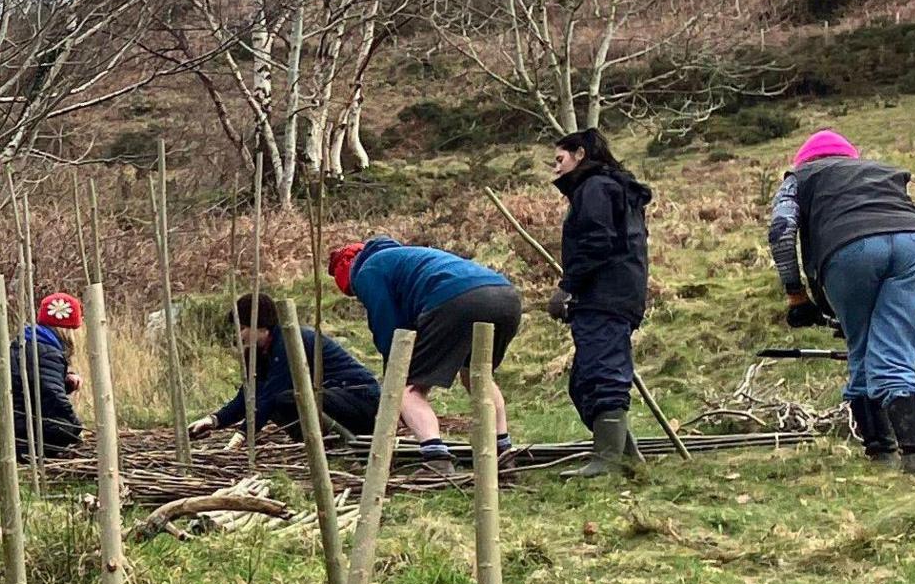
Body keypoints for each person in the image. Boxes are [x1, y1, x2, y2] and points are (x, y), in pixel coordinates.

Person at [769, 128, 915, 478]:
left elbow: (781, 228)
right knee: (889, 351)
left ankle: (906, 459)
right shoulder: (881, 171)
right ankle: (896, 455)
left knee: (873, 354)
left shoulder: (799, 176)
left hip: (852, 250)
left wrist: (796, 294)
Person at [330, 237, 519, 454]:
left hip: (455, 300)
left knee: (407, 390)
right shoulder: (406, 257)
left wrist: (395, 383)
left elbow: (391, 331)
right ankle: (503, 448)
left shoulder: (366, 271)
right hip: (505, 297)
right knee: (477, 376)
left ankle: (435, 455)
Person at [549, 128, 653, 477]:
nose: (556, 169)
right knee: (583, 381)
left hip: (604, 296)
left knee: (602, 374)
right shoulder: (611, 189)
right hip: (614, 295)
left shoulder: (595, 189)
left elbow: (597, 241)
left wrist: (568, 287)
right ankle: (627, 458)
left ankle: (607, 461)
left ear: (580, 154)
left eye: (559, 160)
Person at [189, 293, 380, 443]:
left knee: (284, 400)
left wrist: (241, 436)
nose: (240, 335)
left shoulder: (288, 343)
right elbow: (249, 395)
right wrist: (214, 420)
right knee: (279, 402)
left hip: (360, 398)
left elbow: (270, 396)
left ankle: (336, 442)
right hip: (332, 399)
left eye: (244, 327)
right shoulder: (260, 352)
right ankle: (322, 443)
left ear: (261, 325)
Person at [0, 289, 85, 464]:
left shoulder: (28, 344)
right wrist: (77, 427)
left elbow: (32, 389)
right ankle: (28, 458)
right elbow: (53, 398)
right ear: (68, 330)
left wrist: (65, 383)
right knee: (65, 429)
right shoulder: (45, 353)